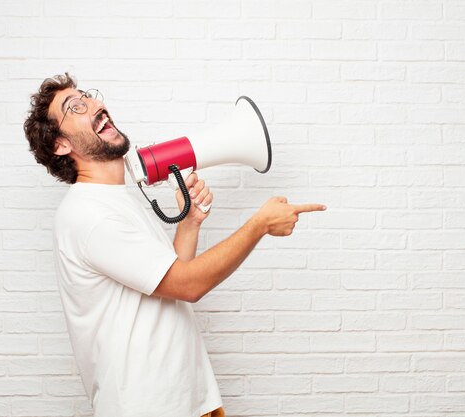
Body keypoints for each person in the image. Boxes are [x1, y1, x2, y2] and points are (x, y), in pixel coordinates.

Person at [23, 73, 326, 417]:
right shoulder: (88, 214)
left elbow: (168, 283)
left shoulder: (118, 200)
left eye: (89, 96)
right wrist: (258, 226)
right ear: (61, 145)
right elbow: (189, 285)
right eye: (76, 106)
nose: (96, 105)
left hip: (185, 399)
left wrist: (190, 220)